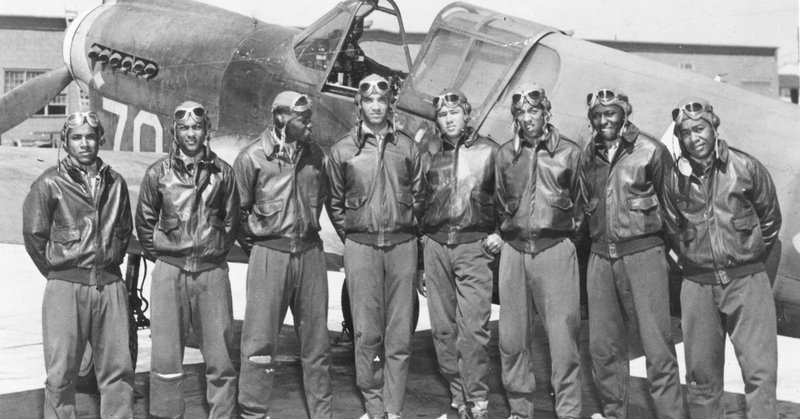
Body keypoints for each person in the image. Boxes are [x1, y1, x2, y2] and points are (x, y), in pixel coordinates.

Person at [666, 98, 780, 418]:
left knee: (759, 374)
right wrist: (696, 261)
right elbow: (671, 228)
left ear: (713, 128)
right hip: (698, 285)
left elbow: (770, 220)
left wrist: (745, 256)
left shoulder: (746, 167)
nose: (694, 138)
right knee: (701, 378)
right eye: (686, 133)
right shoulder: (673, 178)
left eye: (700, 128)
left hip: (747, 282)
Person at [579, 89, 685, 419]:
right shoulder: (588, 155)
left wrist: (675, 256)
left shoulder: (651, 151)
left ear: (625, 114)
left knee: (657, 346)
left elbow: (672, 210)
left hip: (643, 255)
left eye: (611, 113)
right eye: (597, 115)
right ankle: (614, 412)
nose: (604, 120)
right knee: (603, 348)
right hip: (601, 258)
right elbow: (584, 207)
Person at [326, 73, 426, 419]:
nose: (375, 106)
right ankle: (373, 405)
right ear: (360, 105)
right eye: (368, 100)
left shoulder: (408, 148)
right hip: (361, 248)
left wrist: (408, 234)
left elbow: (421, 199)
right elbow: (334, 203)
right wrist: (356, 235)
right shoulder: (343, 150)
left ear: (389, 105)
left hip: (402, 246)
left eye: (381, 100)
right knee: (366, 333)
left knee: (399, 336)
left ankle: (393, 409)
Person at [23, 111, 134, 419]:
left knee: (118, 372)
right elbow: (34, 236)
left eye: (90, 137)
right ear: (66, 142)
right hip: (65, 287)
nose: (84, 143)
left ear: (100, 140)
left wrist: (106, 264)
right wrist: (60, 274)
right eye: (76, 137)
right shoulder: (49, 184)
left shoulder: (116, 183)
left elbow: (124, 231)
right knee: (60, 373)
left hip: (109, 285)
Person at [136, 101, 239, 418]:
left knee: (221, 358)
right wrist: (167, 258)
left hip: (211, 273)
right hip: (170, 273)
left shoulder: (224, 173)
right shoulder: (157, 174)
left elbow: (232, 222)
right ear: (175, 132)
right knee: (166, 360)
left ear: (207, 131)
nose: (191, 133)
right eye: (184, 128)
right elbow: (145, 223)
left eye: (197, 127)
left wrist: (211, 251)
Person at [234, 91, 332, 418]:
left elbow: (323, 197)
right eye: (303, 119)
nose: (310, 124)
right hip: (269, 255)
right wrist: (263, 250)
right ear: (281, 118)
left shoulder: (315, 155)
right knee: (259, 344)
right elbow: (238, 214)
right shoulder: (252, 158)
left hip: (310, 254)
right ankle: (253, 413)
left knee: (317, 345)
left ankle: (322, 414)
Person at [493, 86, 583, 419]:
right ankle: (519, 410)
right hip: (514, 251)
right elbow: (499, 203)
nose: (528, 118)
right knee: (511, 339)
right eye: (521, 113)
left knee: (563, 340)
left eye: (534, 111)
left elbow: (582, 208)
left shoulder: (569, 153)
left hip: (554, 250)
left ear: (546, 113)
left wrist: (562, 239)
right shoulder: (506, 155)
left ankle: (568, 412)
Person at [418, 88, 500, 419]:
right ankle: (458, 395)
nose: (449, 119)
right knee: (442, 330)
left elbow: (509, 198)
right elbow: (419, 204)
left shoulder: (490, 151)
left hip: (473, 247)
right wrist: (422, 259)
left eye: (455, 113)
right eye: (443, 115)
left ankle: (477, 399)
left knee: (473, 331)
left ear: (467, 114)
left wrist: (500, 232)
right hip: (436, 246)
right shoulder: (429, 154)